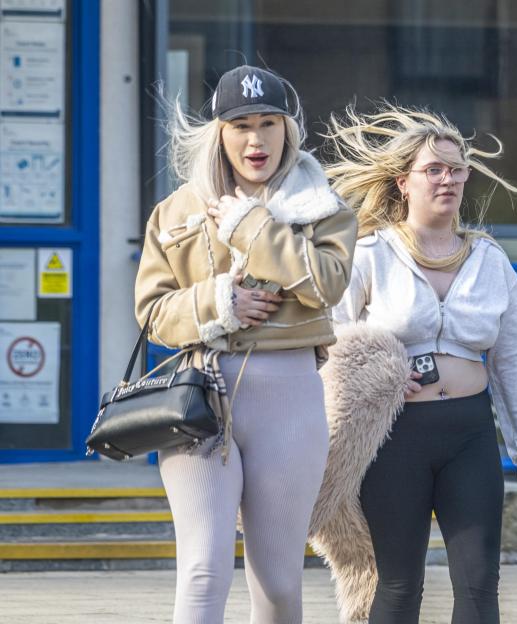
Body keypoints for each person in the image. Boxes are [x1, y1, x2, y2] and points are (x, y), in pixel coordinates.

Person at [134, 65, 357, 623]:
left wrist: (252, 226)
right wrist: (219, 304)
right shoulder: (176, 211)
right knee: (203, 571)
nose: (255, 140)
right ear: (219, 133)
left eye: (267, 123)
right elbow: (153, 313)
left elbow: (328, 283)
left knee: (278, 582)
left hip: (292, 398)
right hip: (201, 398)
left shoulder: (324, 208)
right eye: (240, 126)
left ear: (288, 129)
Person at [323, 103, 517, 624]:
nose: (446, 179)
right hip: (394, 434)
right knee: (399, 584)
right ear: (404, 182)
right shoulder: (370, 253)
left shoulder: (489, 259)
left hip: (469, 433)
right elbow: (328, 339)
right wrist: (370, 376)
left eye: (455, 169)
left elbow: (516, 356)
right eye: (433, 169)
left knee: (478, 586)